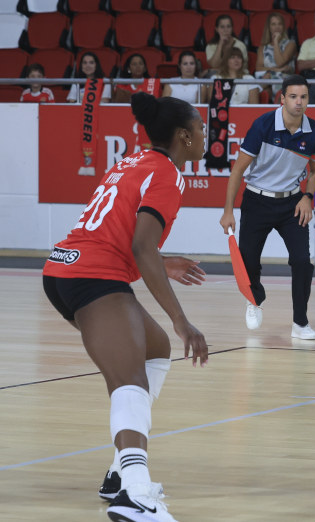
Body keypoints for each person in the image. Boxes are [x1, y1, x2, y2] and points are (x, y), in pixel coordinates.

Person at [42, 91, 208, 521]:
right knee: (129, 381)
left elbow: (121, 235)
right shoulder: (169, 175)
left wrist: (161, 262)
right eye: (200, 128)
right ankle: (135, 493)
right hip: (90, 277)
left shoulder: (131, 161)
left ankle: (119, 472)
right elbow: (141, 244)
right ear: (183, 137)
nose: (205, 134)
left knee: (154, 349)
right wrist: (181, 320)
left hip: (65, 267)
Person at [219, 75, 315, 340]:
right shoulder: (263, 126)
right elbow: (237, 171)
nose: (298, 102)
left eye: (303, 97)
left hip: (292, 204)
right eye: (293, 97)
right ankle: (255, 299)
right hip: (256, 201)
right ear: (282, 98)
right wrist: (228, 211)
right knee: (249, 262)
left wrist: (307, 197)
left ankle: (300, 323)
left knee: (302, 262)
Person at [254, 12, 296, 97]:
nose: (277, 27)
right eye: (273, 24)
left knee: (268, 79)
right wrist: (276, 70)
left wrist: (276, 42)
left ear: (283, 27)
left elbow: (280, 62)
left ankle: (253, 93)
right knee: (266, 90)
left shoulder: (290, 44)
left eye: (279, 24)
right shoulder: (262, 47)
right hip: (267, 77)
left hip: (284, 79)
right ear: (269, 27)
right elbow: (258, 68)